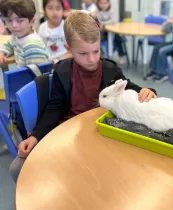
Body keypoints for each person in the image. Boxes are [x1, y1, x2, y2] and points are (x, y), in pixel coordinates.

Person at [9, 11, 157, 183]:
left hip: (101, 135)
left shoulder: (110, 70)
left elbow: (130, 87)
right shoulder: (62, 71)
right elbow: (54, 107)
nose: (92, 59)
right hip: (68, 135)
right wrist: (35, 136)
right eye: (83, 54)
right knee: (18, 168)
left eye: (96, 51)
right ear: (69, 49)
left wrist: (148, 90)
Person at [0, 0, 49, 67]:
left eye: (20, 21)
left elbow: (39, 75)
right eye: (9, 20)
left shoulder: (32, 47)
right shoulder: (17, 35)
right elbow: (9, 44)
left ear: (32, 21)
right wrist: (2, 52)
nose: (14, 25)